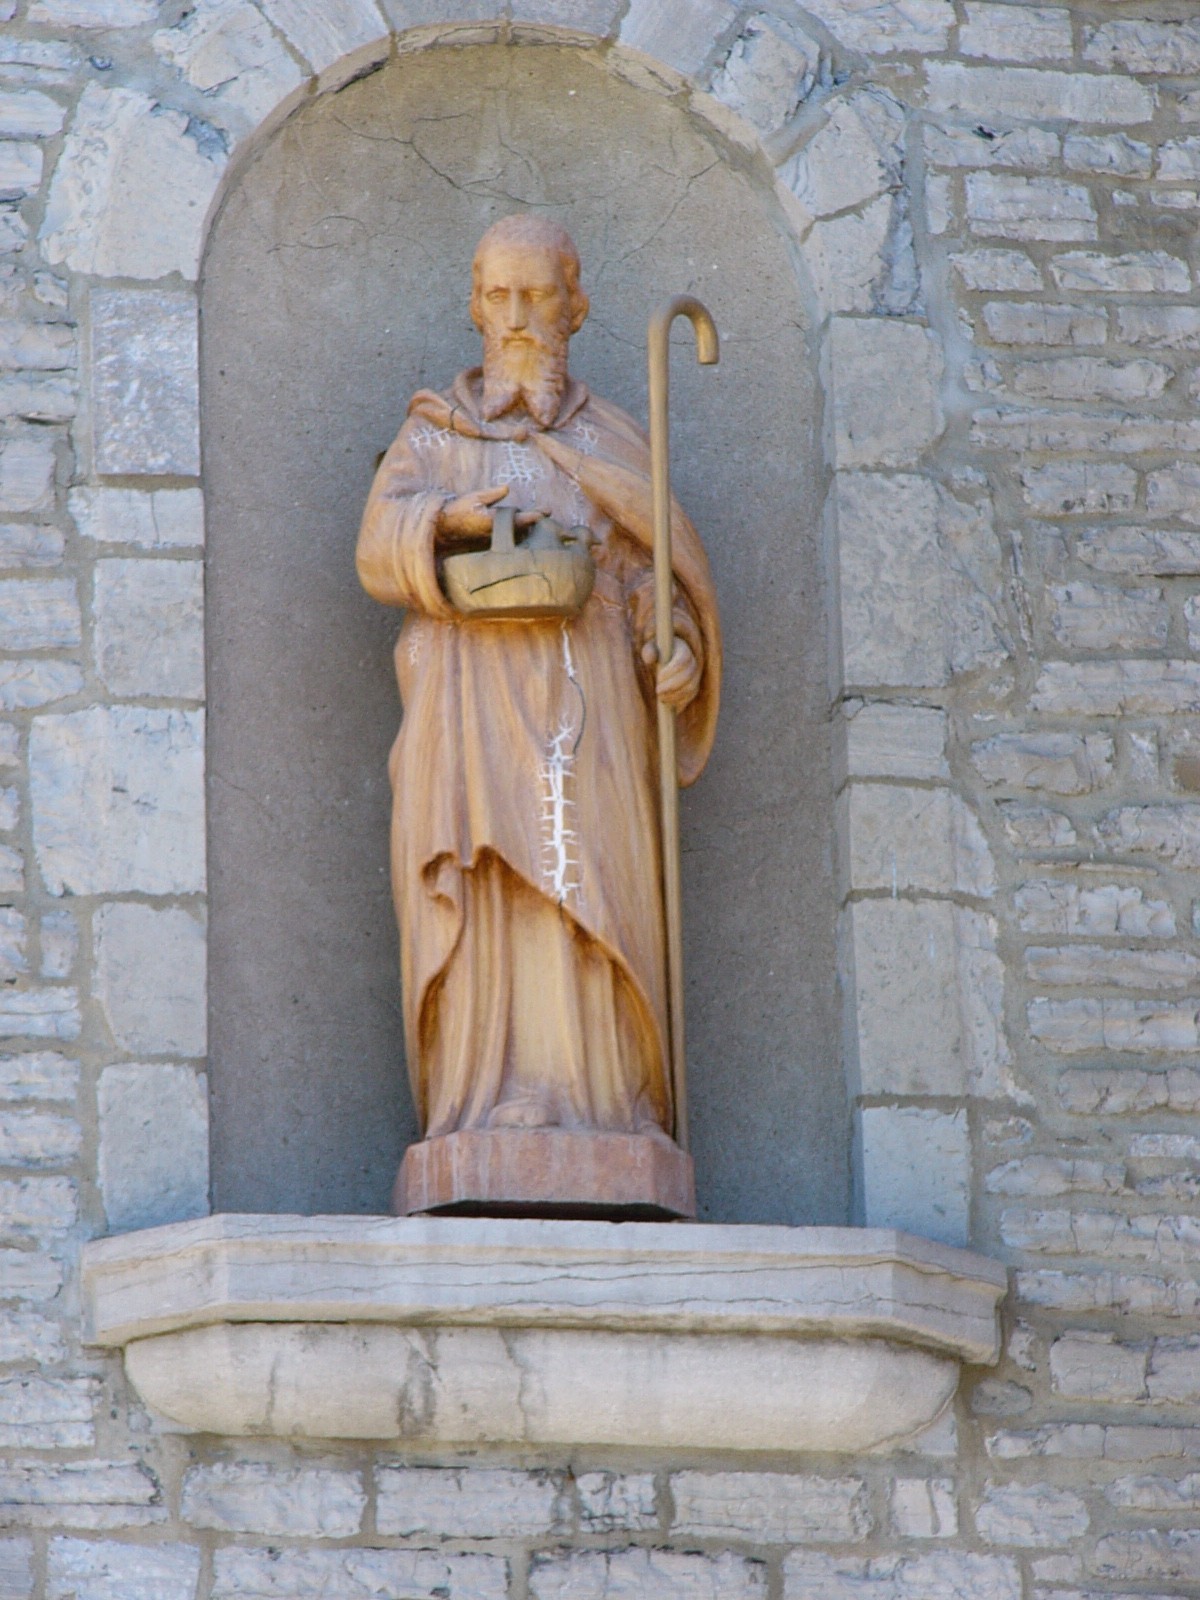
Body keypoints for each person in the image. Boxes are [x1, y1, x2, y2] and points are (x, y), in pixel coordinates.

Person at [357, 213, 720, 1154]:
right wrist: (442, 522)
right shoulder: (434, 435)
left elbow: (654, 582)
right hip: (467, 706)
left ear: (575, 306)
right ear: (475, 306)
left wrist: (672, 645)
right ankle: (485, 1104)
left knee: (585, 871)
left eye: (538, 296)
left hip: (587, 707)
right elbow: (373, 549)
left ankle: (608, 1104)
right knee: (492, 887)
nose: (518, 317)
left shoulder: (615, 440)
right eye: (500, 296)